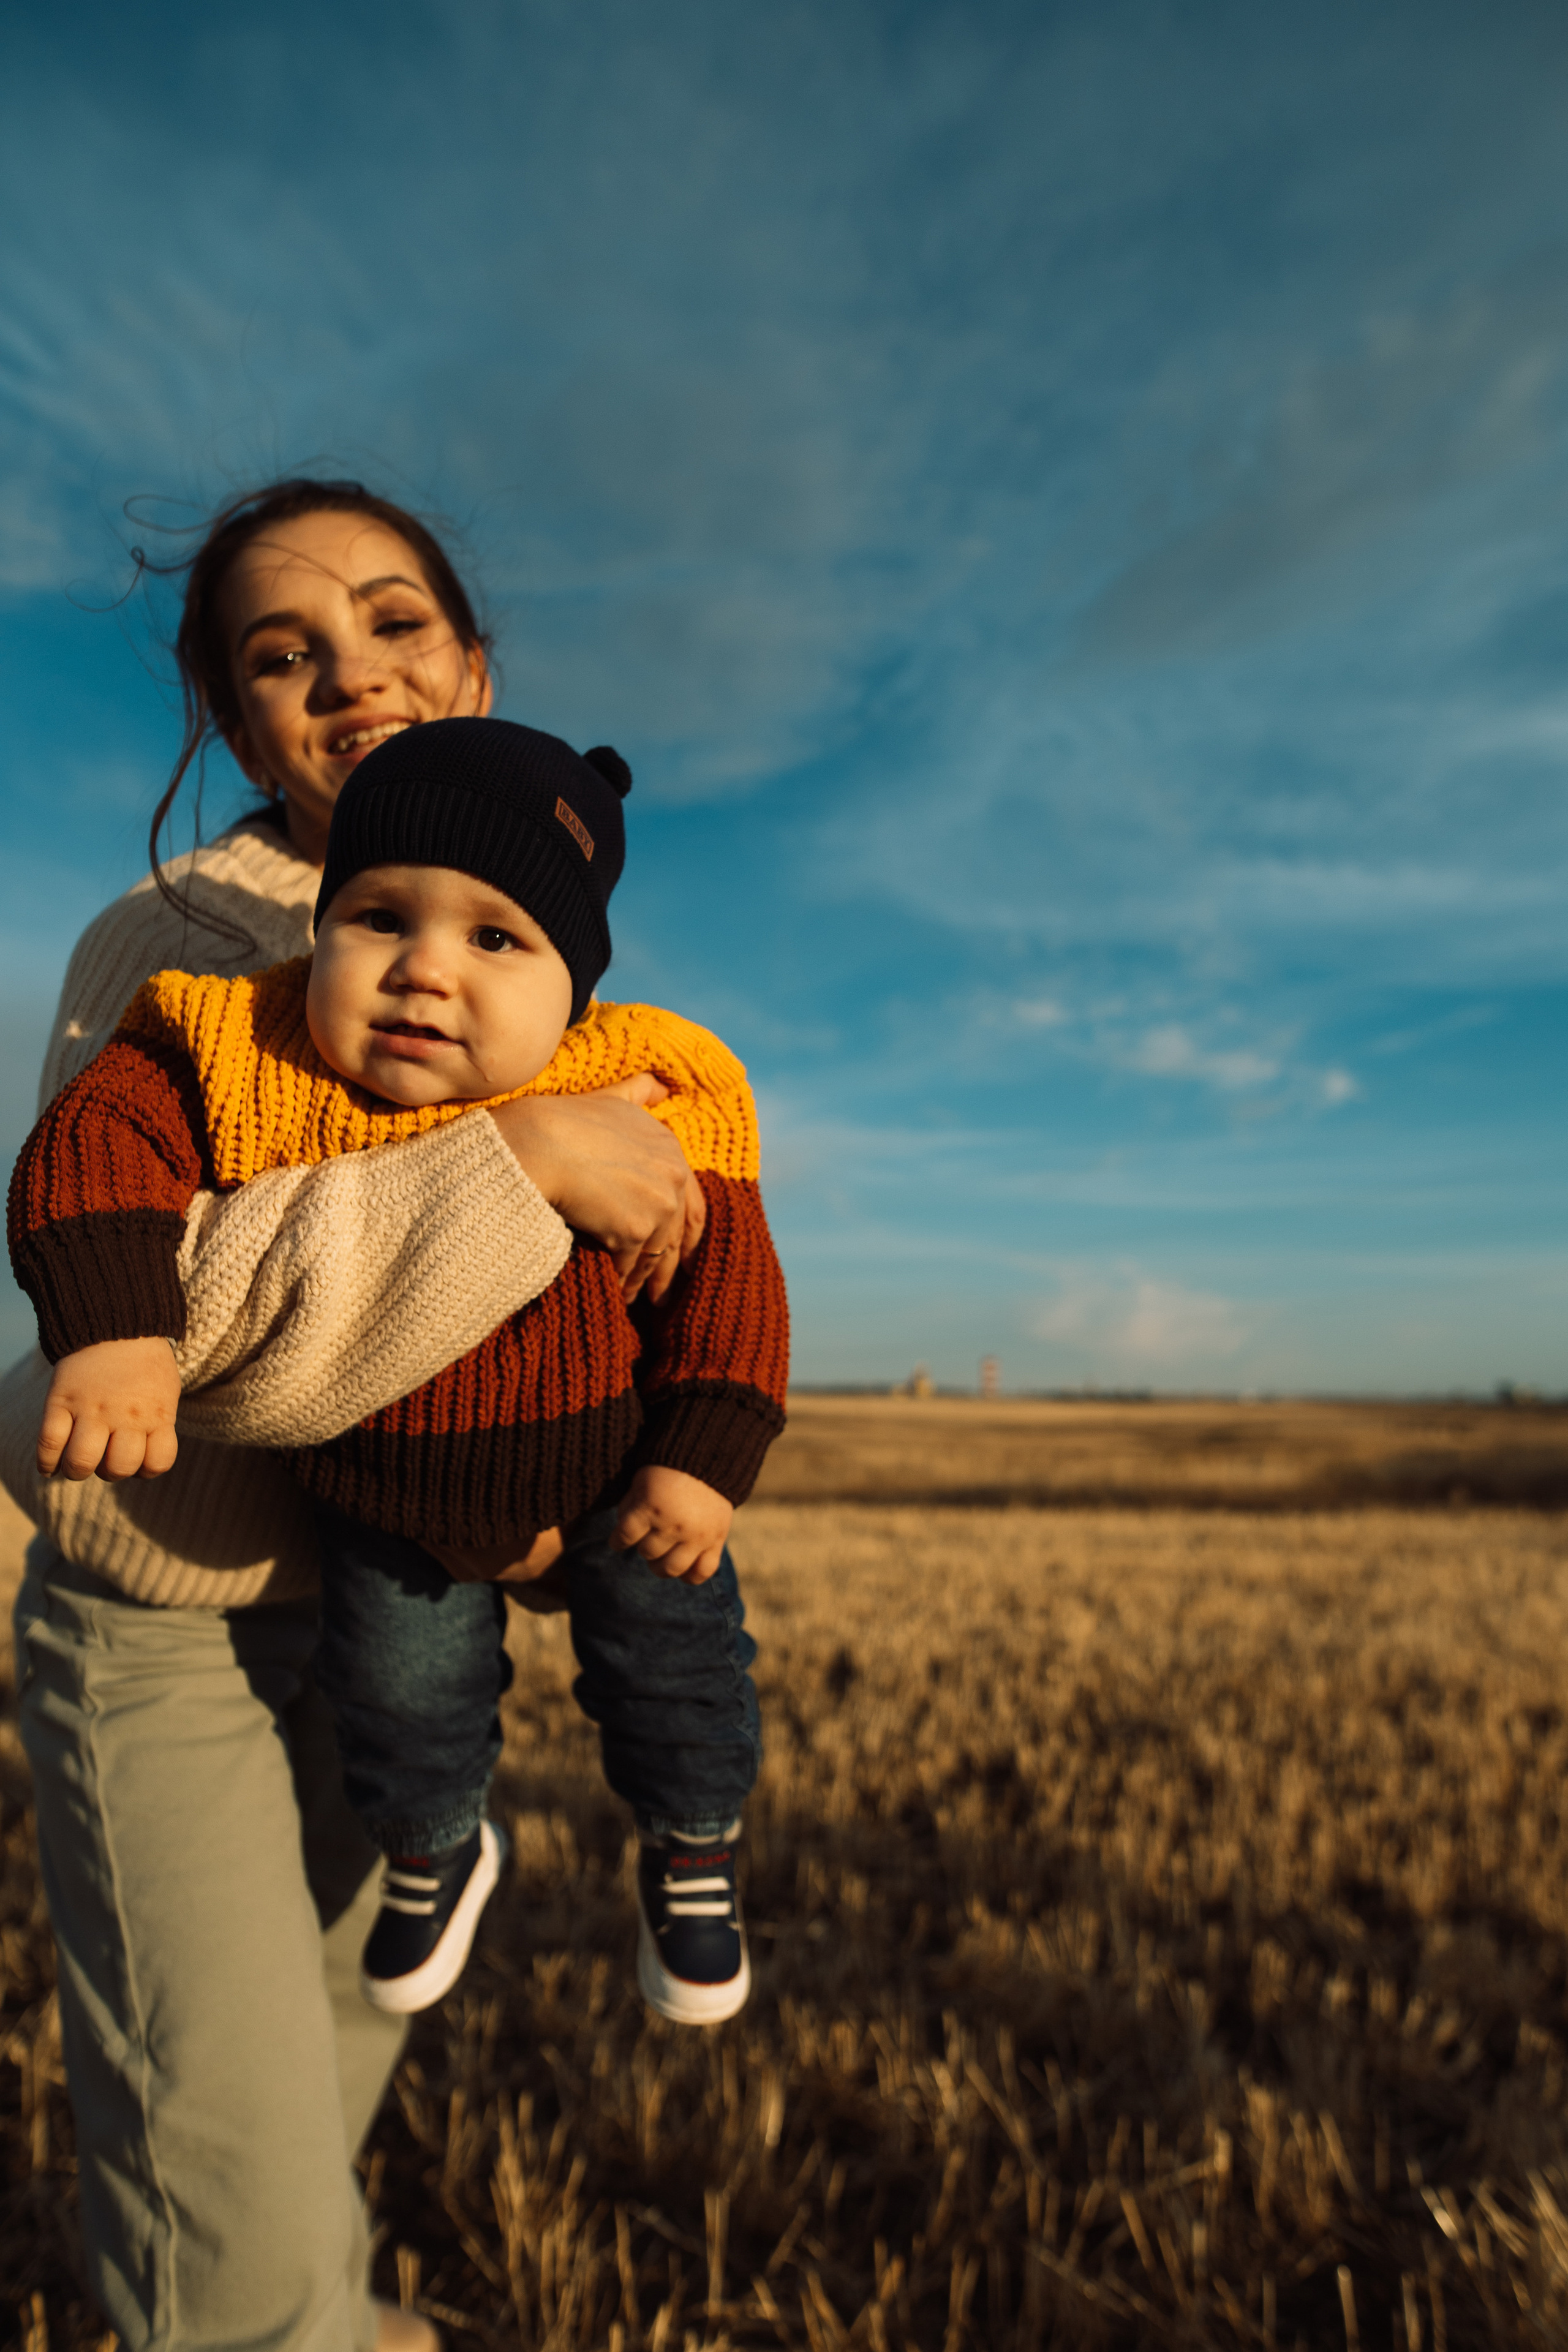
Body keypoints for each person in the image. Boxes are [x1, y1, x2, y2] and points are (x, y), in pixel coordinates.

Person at [0, 480, 753, 2352]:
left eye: (396, 622)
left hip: (393, 1613)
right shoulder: (175, 954)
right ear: (233, 722)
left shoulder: (563, 984)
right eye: (284, 655)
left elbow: (635, 1312)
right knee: (222, 2255)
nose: (352, 678)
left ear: (475, 660)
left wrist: (609, 1484)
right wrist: (513, 1169)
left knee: (309, 2120)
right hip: (171, 1623)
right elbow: (193, 1330)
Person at [12, 715, 788, 2026]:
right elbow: (96, 1141)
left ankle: (694, 1845)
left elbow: (732, 1283)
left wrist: (701, 1459)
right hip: (379, 1498)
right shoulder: (239, 1048)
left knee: (675, 1661)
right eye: (377, 918)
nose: (425, 969)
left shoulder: (649, 1086)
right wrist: (115, 1325)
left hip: (610, 1476)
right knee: (402, 1697)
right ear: (320, 933)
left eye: (495, 939)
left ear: (575, 991)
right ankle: (435, 1849)